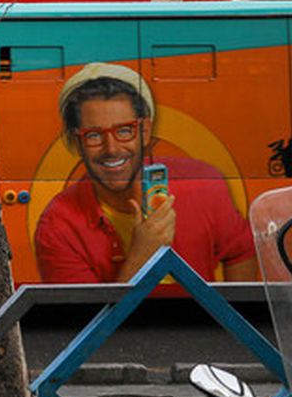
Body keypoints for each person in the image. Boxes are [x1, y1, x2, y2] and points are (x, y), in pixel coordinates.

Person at [34, 62, 257, 284]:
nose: (111, 148)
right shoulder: (57, 226)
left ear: (145, 131)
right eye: (93, 135)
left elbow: (240, 252)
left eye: (124, 131)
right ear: (76, 142)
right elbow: (83, 319)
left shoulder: (203, 184)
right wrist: (142, 256)